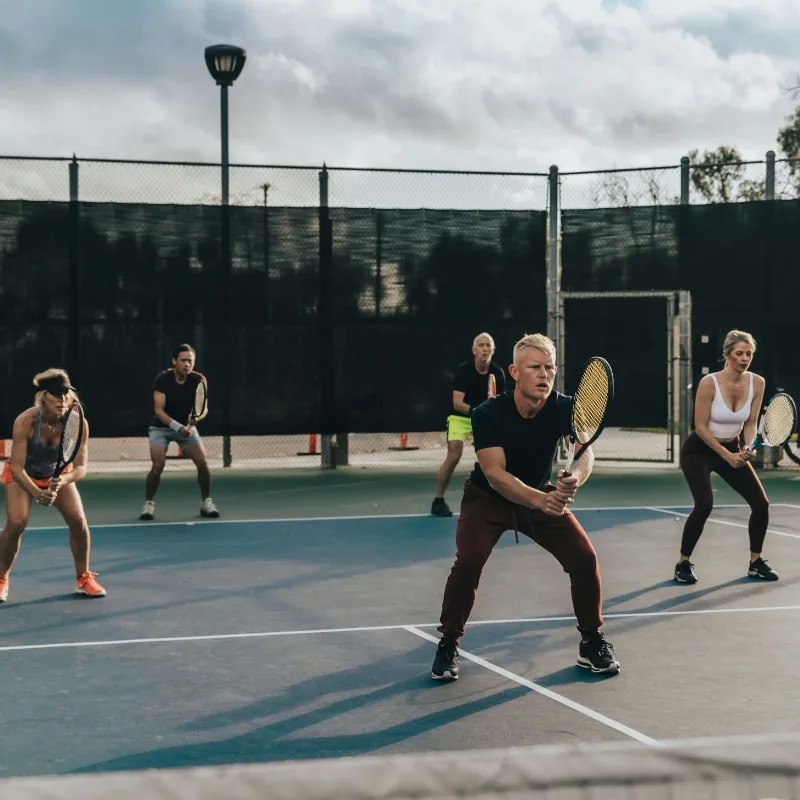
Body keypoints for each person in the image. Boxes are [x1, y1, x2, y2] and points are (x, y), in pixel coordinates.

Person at [430, 333, 619, 680]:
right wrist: (541, 499)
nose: (544, 374)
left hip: (539, 496)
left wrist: (575, 477)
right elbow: (495, 473)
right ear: (515, 372)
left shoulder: (565, 407)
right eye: (535, 368)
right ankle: (448, 644)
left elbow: (584, 451)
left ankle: (591, 641)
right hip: (488, 499)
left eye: (549, 367)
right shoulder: (488, 413)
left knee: (583, 558)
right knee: (469, 562)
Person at [674, 329, 776, 584]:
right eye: (739, 353)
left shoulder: (757, 383)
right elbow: (700, 426)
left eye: (749, 354)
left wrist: (750, 446)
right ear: (727, 355)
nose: (744, 358)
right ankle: (683, 563)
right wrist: (726, 456)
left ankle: (755, 562)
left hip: (733, 446)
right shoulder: (709, 383)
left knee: (761, 504)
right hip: (699, 450)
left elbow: (751, 422)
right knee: (705, 504)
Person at [0, 369, 106, 603]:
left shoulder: (78, 423)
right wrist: (37, 492)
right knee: (17, 522)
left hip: (58, 476)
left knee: (79, 521)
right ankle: (1, 578)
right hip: (23, 475)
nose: (62, 400)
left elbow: (81, 467)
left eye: (66, 394)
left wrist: (63, 481)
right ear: (43, 396)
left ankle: (83, 578)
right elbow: (16, 467)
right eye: (56, 395)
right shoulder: (25, 421)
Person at [140, 344, 219, 521]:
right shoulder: (162, 379)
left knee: (202, 462)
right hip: (161, 428)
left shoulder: (199, 380)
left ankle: (206, 502)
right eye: (183, 360)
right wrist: (178, 428)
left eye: (190, 361)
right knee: (158, 465)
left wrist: (196, 419)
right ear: (174, 361)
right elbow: (159, 410)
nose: (187, 364)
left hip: (187, 429)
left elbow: (203, 408)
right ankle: (148, 504)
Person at [431, 333, 506, 517]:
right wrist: (476, 411)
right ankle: (438, 501)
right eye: (481, 345)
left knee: (496, 458)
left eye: (488, 345)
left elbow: (499, 403)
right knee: (454, 454)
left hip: (483, 418)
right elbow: (457, 403)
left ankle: (501, 499)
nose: (485, 348)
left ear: (493, 350)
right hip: (460, 417)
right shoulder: (464, 371)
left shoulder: (498, 374)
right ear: (474, 350)